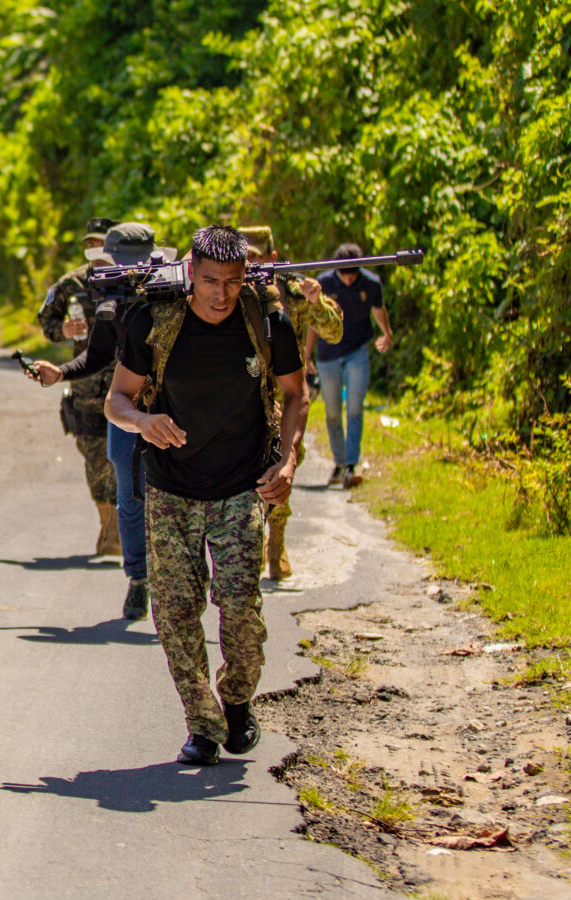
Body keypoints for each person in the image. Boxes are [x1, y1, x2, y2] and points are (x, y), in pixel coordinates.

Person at [104, 225, 306, 766]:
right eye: (211, 281)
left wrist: (286, 460)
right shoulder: (154, 321)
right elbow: (116, 401)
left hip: (242, 489)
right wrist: (144, 422)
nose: (221, 294)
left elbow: (295, 395)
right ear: (190, 271)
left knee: (240, 610)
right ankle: (202, 722)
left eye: (233, 282)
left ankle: (237, 701)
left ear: (246, 277)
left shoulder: (267, 323)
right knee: (174, 615)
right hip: (170, 490)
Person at [28, 223, 177, 620]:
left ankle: (181, 580)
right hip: (126, 411)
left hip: (175, 412)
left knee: (181, 497)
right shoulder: (111, 302)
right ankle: (139, 579)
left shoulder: (179, 298)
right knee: (130, 496)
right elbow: (95, 358)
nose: (129, 273)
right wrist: (60, 372)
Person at [240, 226, 343, 579]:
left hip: (286, 392)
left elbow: (334, 330)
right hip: (242, 393)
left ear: (272, 257)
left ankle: (276, 542)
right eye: (244, 257)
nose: (249, 264)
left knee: (281, 467)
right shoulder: (223, 289)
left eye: (256, 257)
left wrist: (317, 302)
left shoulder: (295, 290)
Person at [37, 216, 122, 556]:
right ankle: (106, 520)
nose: (94, 249)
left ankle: (117, 528)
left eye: (100, 243)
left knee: (122, 455)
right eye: (89, 244)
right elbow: (46, 319)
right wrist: (63, 332)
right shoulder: (70, 284)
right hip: (85, 384)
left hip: (125, 381)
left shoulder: (129, 281)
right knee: (94, 455)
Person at [311, 242, 395, 489]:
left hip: (357, 351)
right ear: (336, 270)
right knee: (333, 412)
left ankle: (350, 465)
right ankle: (338, 462)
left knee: (355, 408)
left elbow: (378, 309)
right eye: (344, 275)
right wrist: (306, 357)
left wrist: (387, 334)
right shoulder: (322, 283)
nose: (348, 280)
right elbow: (313, 322)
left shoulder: (370, 283)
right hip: (328, 354)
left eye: (353, 275)